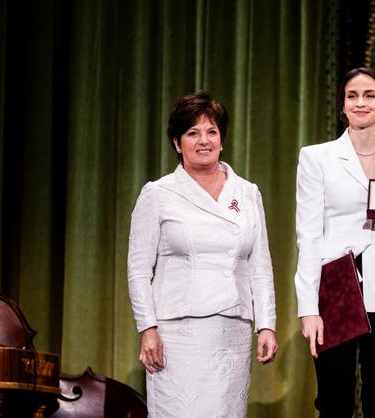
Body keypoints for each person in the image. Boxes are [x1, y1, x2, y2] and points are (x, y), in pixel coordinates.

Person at [127, 91, 278, 417]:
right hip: (177, 333)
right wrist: (147, 328)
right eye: (192, 133)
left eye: (211, 132)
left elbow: (260, 265)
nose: (203, 140)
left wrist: (266, 324)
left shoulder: (247, 193)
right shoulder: (158, 194)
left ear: (222, 140)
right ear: (177, 144)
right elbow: (139, 269)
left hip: (232, 331)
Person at [295, 67, 375, 417]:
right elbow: (308, 235)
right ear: (343, 106)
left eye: (370, 95)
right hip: (336, 283)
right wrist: (308, 307)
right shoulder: (316, 157)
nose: (360, 103)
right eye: (352, 96)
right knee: (335, 399)